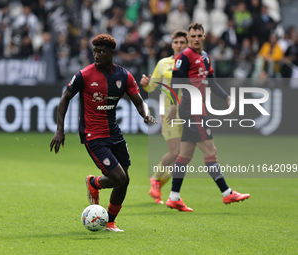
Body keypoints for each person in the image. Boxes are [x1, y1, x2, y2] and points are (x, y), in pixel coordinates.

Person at [50, 34, 157, 231]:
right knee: (118, 177)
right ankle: (93, 182)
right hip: (93, 135)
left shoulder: (123, 76)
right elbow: (65, 98)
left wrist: (146, 114)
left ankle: (110, 222)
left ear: (111, 53)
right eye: (94, 52)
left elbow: (139, 101)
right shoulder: (84, 74)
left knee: (125, 179)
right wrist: (60, 130)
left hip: (114, 133)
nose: (96, 55)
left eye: (101, 52)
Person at [166, 22, 250, 212]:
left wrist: (227, 97)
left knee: (185, 156)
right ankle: (227, 193)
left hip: (198, 109)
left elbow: (211, 83)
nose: (196, 39)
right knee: (210, 152)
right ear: (188, 38)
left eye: (199, 35)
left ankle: (173, 197)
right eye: (193, 36)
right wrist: (173, 106)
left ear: (204, 37)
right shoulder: (185, 56)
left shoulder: (205, 57)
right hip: (192, 109)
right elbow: (174, 82)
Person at [140, 30, 188, 204]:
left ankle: (157, 185)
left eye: (183, 42)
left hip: (188, 112)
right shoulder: (163, 64)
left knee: (183, 157)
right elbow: (151, 87)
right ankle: (155, 180)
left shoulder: (191, 63)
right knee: (175, 152)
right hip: (168, 111)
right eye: (176, 42)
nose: (179, 45)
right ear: (172, 44)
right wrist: (146, 84)